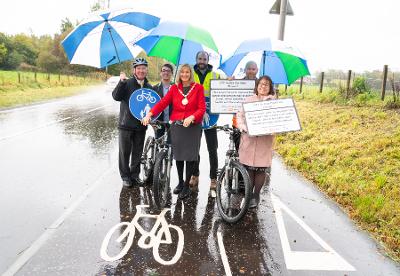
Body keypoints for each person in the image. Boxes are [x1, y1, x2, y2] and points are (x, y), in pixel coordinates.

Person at [142, 64, 206, 200]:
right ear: (179, 74)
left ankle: (187, 186)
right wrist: (150, 113)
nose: (184, 74)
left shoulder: (198, 88)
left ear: (190, 74)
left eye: (187, 72)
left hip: (192, 127)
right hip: (177, 126)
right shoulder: (174, 88)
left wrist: (192, 116)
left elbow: (201, 108)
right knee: (179, 156)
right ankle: (181, 182)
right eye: (182, 72)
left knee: (189, 157)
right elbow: (163, 102)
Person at [112, 57, 153, 188]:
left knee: (137, 152)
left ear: (146, 70)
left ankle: (134, 176)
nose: (141, 70)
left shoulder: (148, 87)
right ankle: (125, 177)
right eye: (139, 68)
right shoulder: (127, 83)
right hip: (126, 125)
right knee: (124, 153)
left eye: (143, 68)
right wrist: (121, 82)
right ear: (134, 70)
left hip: (141, 126)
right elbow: (116, 96)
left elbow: (153, 106)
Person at [236, 75, 276, 208]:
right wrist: (243, 127)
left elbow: (280, 120)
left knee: (260, 169)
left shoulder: (274, 102)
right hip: (249, 139)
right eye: (261, 84)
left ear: (270, 88)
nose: (263, 86)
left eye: (266, 84)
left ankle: (256, 194)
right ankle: (248, 195)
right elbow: (239, 116)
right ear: (257, 85)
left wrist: (274, 128)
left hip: (264, 141)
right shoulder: (248, 100)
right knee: (249, 168)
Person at [191, 51, 220, 193]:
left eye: (204, 59)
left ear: (208, 60)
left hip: (211, 116)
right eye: (199, 58)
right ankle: (194, 175)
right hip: (194, 116)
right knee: (194, 147)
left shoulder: (215, 76)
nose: (202, 61)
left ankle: (213, 178)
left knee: (212, 149)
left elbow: (222, 93)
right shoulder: (190, 74)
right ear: (196, 60)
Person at [232, 61, 259, 150]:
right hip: (239, 119)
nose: (251, 71)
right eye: (249, 69)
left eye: (253, 69)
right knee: (238, 146)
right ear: (245, 70)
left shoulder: (262, 85)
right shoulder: (238, 83)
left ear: (257, 70)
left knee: (253, 147)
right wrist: (229, 83)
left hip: (255, 119)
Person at [153, 63, 174, 139]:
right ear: (160, 73)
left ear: (171, 73)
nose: (166, 73)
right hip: (159, 121)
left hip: (172, 121)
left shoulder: (176, 88)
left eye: (168, 71)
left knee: (172, 144)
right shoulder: (155, 88)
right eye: (164, 70)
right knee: (158, 143)